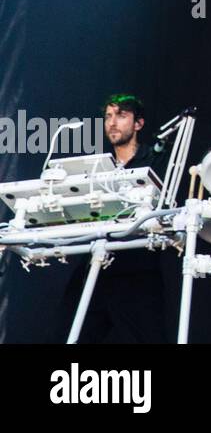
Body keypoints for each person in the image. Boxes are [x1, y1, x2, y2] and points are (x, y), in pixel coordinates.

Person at [57, 94, 167, 343]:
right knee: (67, 335)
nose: (112, 122)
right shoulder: (97, 166)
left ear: (138, 124)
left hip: (137, 267)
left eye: (121, 115)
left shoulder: (156, 161)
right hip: (96, 260)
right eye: (108, 116)